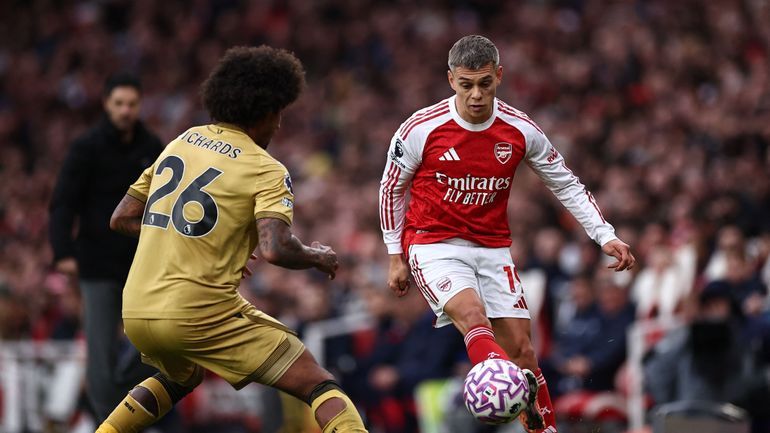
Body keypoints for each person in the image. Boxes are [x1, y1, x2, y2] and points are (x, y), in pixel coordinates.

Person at [94, 46, 367, 433]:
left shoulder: (183, 142)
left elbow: (121, 218)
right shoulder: (265, 168)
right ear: (268, 112)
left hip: (138, 309)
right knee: (316, 381)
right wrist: (316, 256)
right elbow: (276, 248)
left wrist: (189, 241)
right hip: (197, 312)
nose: (278, 127)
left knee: (180, 377)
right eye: (280, 116)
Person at [378, 35, 636, 433]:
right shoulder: (421, 128)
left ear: (499, 75)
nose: (477, 94)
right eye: (467, 85)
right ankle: (507, 388)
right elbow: (392, 188)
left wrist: (605, 236)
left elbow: (565, 183)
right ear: (451, 80)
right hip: (432, 243)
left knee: (524, 352)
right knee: (471, 315)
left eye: (485, 83)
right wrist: (395, 253)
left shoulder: (520, 129)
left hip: (493, 247)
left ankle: (538, 421)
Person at [48, 73, 164, 422]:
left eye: (131, 104)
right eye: (119, 104)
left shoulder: (153, 147)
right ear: (106, 104)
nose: (125, 111)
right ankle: (109, 423)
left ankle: (118, 412)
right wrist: (63, 252)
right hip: (97, 263)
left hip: (141, 264)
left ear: (140, 104)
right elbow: (63, 202)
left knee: (157, 341)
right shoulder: (86, 147)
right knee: (100, 354)